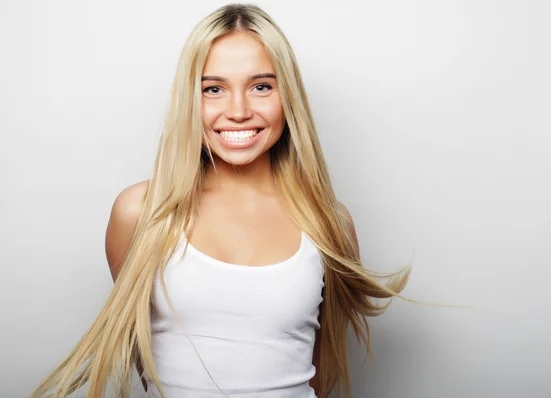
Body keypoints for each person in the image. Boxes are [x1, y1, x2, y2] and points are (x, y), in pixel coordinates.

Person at [30, 4, 410, 398]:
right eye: (213, 89)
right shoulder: (140, 213)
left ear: (288, 97)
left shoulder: (328, 222)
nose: (239, 111)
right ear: (189, 100)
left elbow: (321, 364)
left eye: (261, 86)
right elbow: (149, 363)